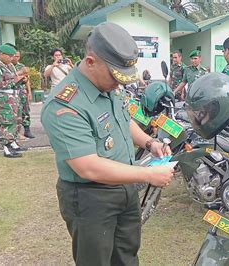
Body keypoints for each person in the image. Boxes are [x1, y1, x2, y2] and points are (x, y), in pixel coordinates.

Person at [41, 22, 174, 265]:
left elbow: (124, 120)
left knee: (126, 256)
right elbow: (88, 167)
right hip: (90, 198)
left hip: (125, 186)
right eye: (115, 76)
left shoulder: (110, 87)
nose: (119, 83)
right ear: (91, 62)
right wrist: (148, 174)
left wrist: (149, 143)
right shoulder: (65, 104)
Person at [0, 44, 28, 157]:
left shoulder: (9, 65)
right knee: (7, 122)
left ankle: (13, 143)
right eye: (10, 56)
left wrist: (22, 80)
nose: (12, 59)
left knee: (16, 121)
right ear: (1, 54)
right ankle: (7, 148)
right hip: (5, 98)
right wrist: (17, 79)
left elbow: (14, 78)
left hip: (15, 97)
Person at [9, 45, 35, 139]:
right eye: (15, 56)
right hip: (12, 92)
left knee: (25, 110)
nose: (16, 58)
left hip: (22, 91)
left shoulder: (21, 66)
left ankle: (27, 129)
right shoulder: (9, 67)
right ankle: (15, 132)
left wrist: (29, 92)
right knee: (16, 112)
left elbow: (27, 79)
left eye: (18, 56)